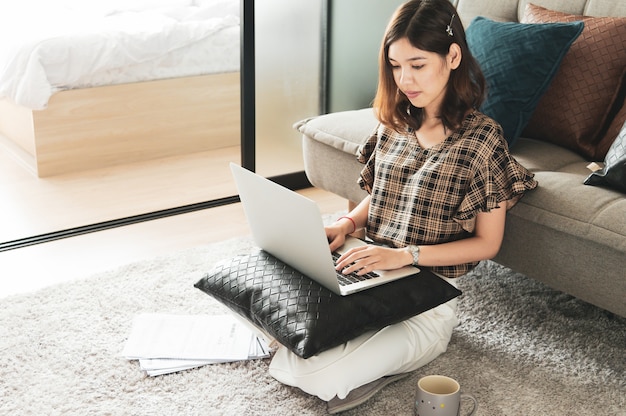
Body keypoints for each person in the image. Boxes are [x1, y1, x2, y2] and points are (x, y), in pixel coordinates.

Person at [268, 0, 537, 413]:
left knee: (308, 372)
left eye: (417, 64)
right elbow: (384, 194)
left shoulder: (483, 140)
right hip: (369, 270)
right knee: (263, 292)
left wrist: (403, 256)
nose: (404, 79)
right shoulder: (397, 121)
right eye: (395, 66)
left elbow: (487, 243)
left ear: (452, 57)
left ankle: (365, 356)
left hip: (425, 304)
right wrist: (346, 223)